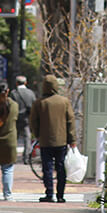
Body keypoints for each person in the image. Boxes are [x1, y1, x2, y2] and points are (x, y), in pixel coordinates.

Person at [30, 75, 76, 203]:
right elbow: (70, 121)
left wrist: (38, 135)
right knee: (61, 167)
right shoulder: (64, 101)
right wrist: (72, 139)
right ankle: (60, 194)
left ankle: (49, 193)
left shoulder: (39, 103)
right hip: (62, 140)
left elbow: (33, 122)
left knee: (47, 168)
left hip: (45, 141)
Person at [13, 75, 36, 164]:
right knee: (27, 138)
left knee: (14, 138)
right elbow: (34, 106)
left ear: (16, 83)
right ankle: (26, 158)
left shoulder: (14, 93)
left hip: (16, 118)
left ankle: (13, 157)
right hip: (27, 118)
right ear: (26, 83)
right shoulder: (31, 93)